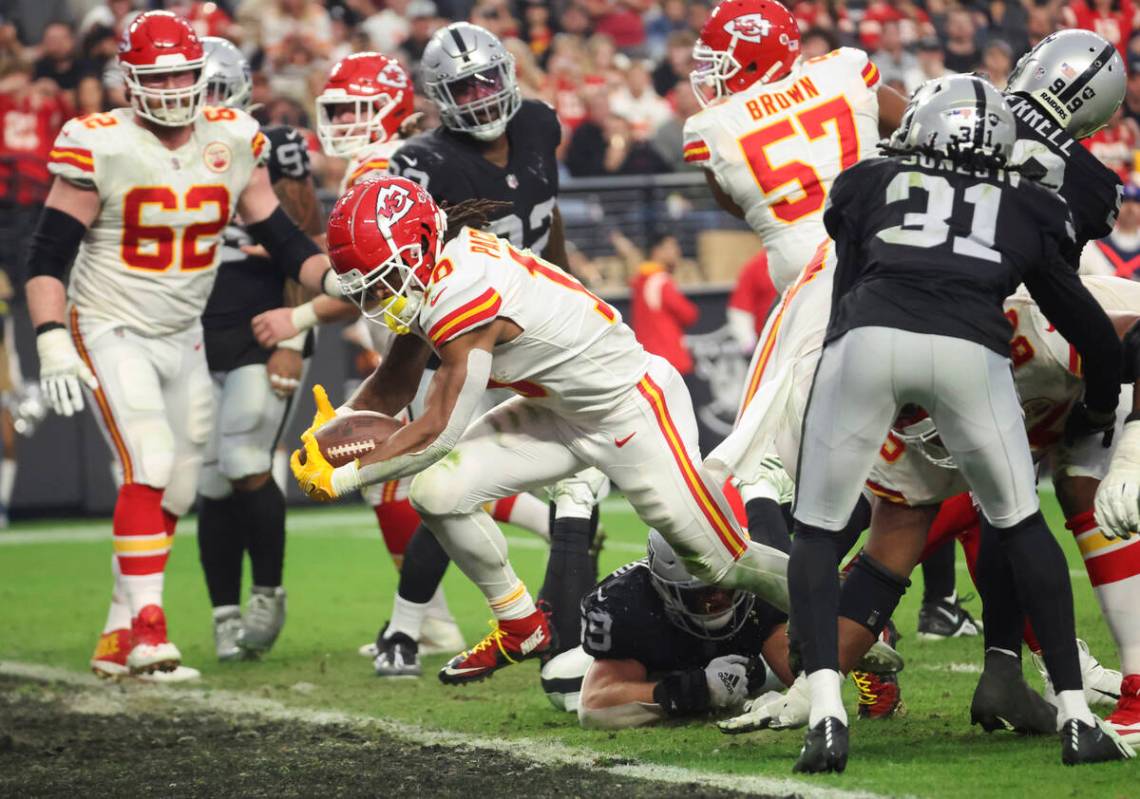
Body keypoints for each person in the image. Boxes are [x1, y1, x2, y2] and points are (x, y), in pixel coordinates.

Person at [291, 175, 793, 686]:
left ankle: (834, 611)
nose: (379, 293)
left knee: (719, 562)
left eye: (384, 276)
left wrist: (347, 476)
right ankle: (519, 624)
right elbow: (394, 382)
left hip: (631, 410)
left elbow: (436, 431)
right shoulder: (432, 269)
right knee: (438, 493)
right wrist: (331, 429)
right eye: (370, 283)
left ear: (419, 245)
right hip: (556, 409)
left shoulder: (461, 286)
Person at [785, 75, 1128, 772]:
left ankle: (824, 712)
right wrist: (1097, 402)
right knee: (1022, 523)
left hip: (868, 339)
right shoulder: (1030, 203)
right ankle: (1075, 714)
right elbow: (1086, 322)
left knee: (817, 530)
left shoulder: (868, 179)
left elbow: (848, 286)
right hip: (972, 349)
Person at [24, 11, 340, 680]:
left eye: (181, 73)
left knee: (182, 485)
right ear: (129, 80)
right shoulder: (98, 141)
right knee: (153, 458)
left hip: (181, 334)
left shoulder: (231, 136)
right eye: (157, 74)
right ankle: (148, 628)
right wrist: (52, 339)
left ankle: (117, 634)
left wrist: (333, 278)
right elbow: (48, 255)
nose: (171, 87)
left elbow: (282, 237)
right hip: (109, 324)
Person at [379, 21, 611, 673]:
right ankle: (404, 625)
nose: (481, 95)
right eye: (464, 86)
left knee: (584, 477)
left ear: (508, 74)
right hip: (470, 330)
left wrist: (569, 284)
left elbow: (549, 213)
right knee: (443, 480)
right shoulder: (422, 161)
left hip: (541, 324)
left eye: (488, 78)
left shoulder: (538, 122)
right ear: (439, 97)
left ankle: (569, 632)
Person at [194, 36, 322, 662]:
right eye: (202, 89)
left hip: (263, 326)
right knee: (210, 481)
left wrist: (295, 335)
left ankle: (267, 592)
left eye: (220, 91)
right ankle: (224, 615)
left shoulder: (274, 146)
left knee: (245, 457)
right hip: (192, 330)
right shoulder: (159, 153)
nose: (207, 103)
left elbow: (306, 240)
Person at [682, 0, 906, 296]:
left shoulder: (714, 126)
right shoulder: (842, 70)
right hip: (888, 246)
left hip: (810, 284)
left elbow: (737, 204)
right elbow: (916, 122)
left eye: (721, 62)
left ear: (753, 60)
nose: (712, 75)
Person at [541, 530, 791, 728]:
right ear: (665, 588)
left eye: (726, 585)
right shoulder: (630, 602)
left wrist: (799, 695)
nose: (718, 599)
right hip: (646, 671)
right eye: (702, 593)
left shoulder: (757, 582)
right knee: (557, 679)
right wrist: (696, 690)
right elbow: (594, 707)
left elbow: (798, 669)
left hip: (727, 662)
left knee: (761, 674)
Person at [627, 232, 698, 375]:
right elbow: (689, 314)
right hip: (668, 358)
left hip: (649, 359)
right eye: (671, 247)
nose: (677, 251)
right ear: (657, 251)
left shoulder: (641, 279)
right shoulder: (660, 280)